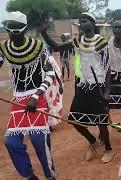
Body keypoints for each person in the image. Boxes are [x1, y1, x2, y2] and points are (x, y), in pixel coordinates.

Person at [40, 12, 114, 163]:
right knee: (74, 120)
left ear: (93, 24)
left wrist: (107, 91)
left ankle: (108, 149)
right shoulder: (78, 41)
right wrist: (44, 32)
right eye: (80, 21)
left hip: (98, 87)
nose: (82, 23)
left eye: (85, 21)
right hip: (83, 86)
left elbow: (108, 69)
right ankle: (93, 142)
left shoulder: (101, 42)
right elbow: (57, 47)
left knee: (101, 121)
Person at [0, 11, 56, 180]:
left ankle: (50, 176)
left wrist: (37, 95)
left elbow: (50, 72)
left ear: (24, 29)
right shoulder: (4, 48)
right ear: (7, 30)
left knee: (39, 141)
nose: (14, 34)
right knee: (11, 142)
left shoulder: (38, 47)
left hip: (36, 97)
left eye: (18, 30)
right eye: (11, 30)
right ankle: (30, 176)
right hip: (18, 99)